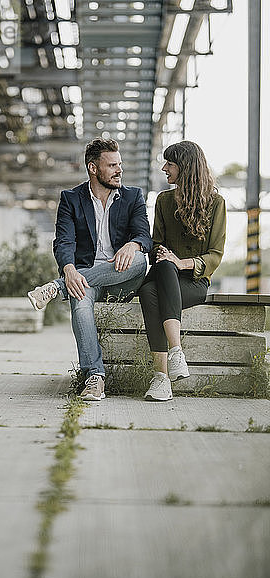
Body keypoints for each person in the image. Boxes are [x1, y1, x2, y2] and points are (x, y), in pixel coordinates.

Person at [28, 137, 152, 401]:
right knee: (79, 297)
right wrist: (69, 269)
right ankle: (95, 377)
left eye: (120, 164)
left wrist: (132, 245)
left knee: (141, 259)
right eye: (112, 165)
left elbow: (145, 236)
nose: (119, 170)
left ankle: (55, 287)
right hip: (89, 279)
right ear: (93, 168)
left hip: (124, 277)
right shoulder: (71, 199)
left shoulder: (133, 197)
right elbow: (64, 241)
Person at [138, 140, 226, 402]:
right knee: (161, 269)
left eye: (170, 164)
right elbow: (156, 245)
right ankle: (176, 353)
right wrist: (165, 258)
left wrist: (181, 262)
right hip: (166, 274)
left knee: (149, 292)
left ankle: (161, 378)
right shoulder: (164, 201)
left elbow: (215, 255)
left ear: (185, 168)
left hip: (194, 282)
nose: (164, 168)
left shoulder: (216, 203)